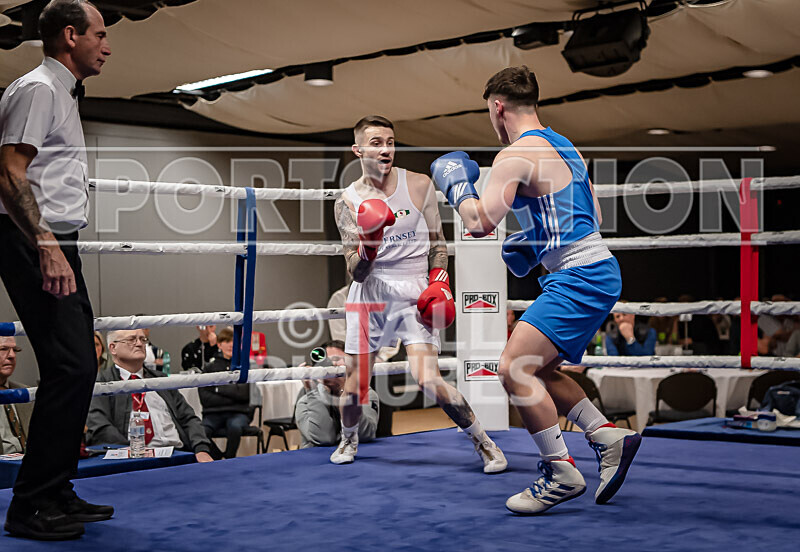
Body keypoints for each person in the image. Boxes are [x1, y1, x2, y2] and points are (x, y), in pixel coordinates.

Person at [430, 66, 640, 514]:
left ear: (497, 107)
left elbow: (478, 222)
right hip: (594, 269)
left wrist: (456, 184)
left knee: (514, 368)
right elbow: (593, 216)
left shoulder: (513, 156)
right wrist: (535, 239)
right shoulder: (566, 147)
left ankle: (560, 470)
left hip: (578, 277)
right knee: (539, 370)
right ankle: (607, 436)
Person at [331, 115, 506, 472]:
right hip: (370, 291)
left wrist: (439, 279)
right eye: (376, 142)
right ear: (358, 149)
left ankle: (484, 443)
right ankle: (348, 438)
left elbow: (437, 245)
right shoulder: (346, 201)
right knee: (355, 386)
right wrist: (369, 246)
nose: (385, 150)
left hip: (414, 288)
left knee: (429, 379)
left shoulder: (420, 185)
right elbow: (355, 269)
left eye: (391, 142)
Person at [0, 0, 113, 540]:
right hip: (32, 237)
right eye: (100, 34)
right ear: (71, 36)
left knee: (77, 364)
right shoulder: (39, 89)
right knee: (71, 365)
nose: (107, 45)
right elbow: (8, 171)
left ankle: (56, 488)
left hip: (54, 237)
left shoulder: (59, 91)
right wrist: (45, 243)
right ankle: (31, 506)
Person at [86, 329, 214, 462]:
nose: (139, 344)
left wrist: (201, 449)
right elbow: (99, 425)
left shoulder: (161, 380)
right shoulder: (102, 383)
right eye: (131, 340)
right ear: (113, 348)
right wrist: (132, 452)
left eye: (143, 339)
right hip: (129, 458)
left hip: (177, 454)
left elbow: (189, 418)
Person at [295, 340, 379, 448]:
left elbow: (364, 434)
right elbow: (323, 438)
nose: (333, 364)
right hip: (317, 461)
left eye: (339, 359)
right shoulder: (306, 401)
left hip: (358, 459)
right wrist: (312, 389)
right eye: (327, 360)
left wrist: (345, 392)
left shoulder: (366, 393)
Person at [198, 327, 252, 459]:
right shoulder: (209, 368)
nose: (231, 345)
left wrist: (217, 388)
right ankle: (218, 459)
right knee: (200, 432)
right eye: (227, 341)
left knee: (235, 427)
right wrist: (232, 392)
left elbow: (244, 394)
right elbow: (204, 398)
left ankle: (229, 458)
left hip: (238, 413)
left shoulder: (243, 366)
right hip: (212, 414)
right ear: (219, 344)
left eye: (234, 341)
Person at [0, 337, 33, 455]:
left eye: (15, 350)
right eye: (3, 349)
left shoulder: (26, 393)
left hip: (29, 466)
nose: (12, 355)